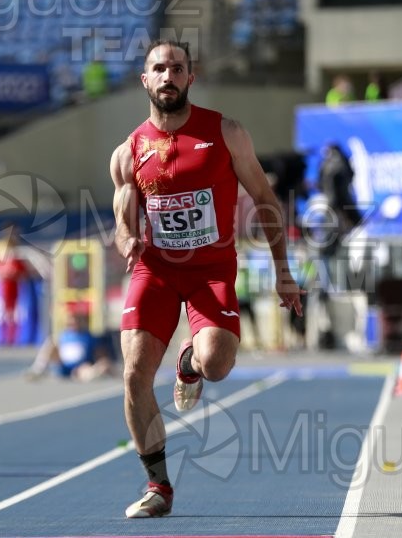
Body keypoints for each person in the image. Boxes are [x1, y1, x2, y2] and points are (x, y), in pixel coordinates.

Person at [110, 39, 304, 518]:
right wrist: (126, 240)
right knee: (134, 373)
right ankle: (159, 486)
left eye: (177, 67)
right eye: (159, 68)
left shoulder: (225, 132)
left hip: (211, 269)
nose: (168, 75)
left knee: (217, 362)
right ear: (146, 80)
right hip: (154, 269)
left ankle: (191, 363)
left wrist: (283, 271)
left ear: (190, 77)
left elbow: (264, 198)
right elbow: (122, 219)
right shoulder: (128, 151)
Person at [0, 224, 36, 346]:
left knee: (14, 314)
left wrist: (15, 274)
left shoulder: (18, 254)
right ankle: (2, 338)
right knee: (3, 313)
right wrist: (5, 273)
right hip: (4, 288)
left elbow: (23, 272)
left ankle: (12, 339)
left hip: (16, 288)